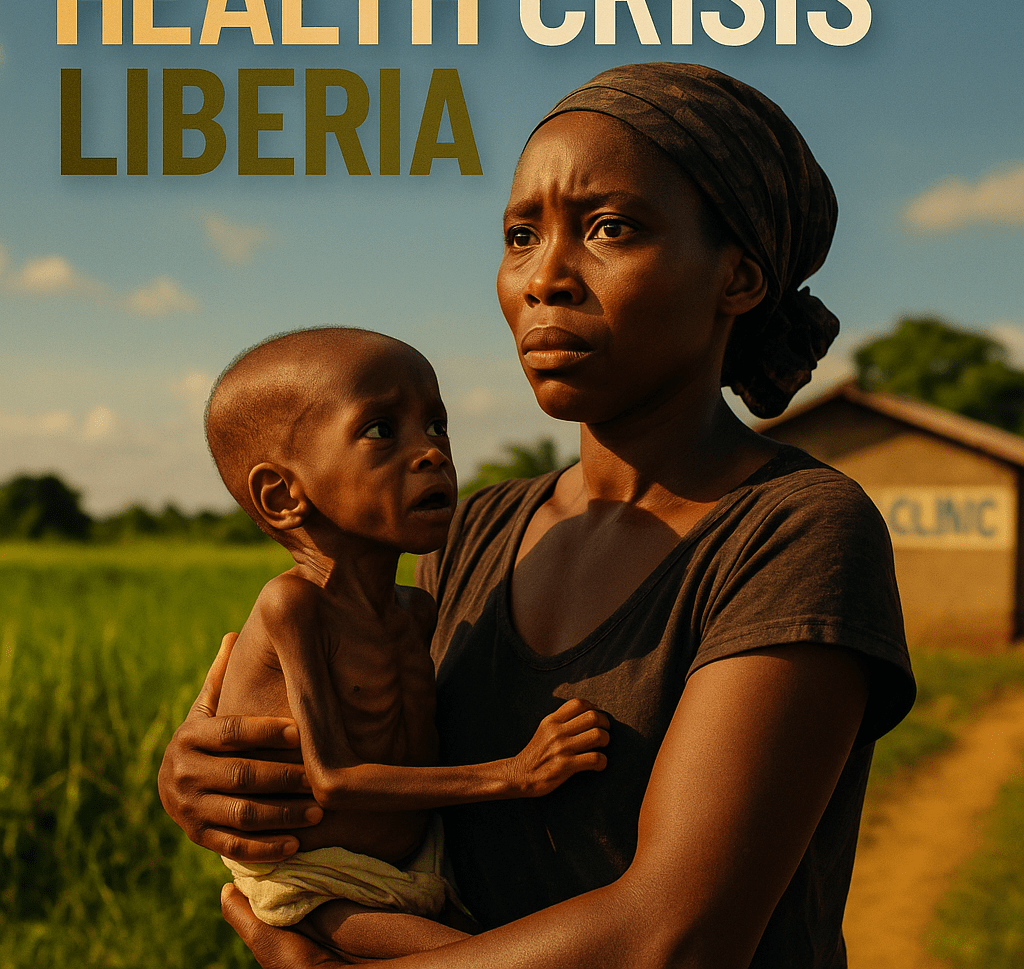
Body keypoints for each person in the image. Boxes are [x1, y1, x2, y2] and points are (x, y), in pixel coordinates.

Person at [159, 63, 916, 969]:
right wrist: (220, 782)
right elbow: (394, 782)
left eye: (610, 229)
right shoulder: (475, 532)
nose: (543, 279)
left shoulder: (793, 532)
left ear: (739, 277)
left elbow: (674, 938)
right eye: (521, 236)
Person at [199, 327, 610, 961]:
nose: (432, 453)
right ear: (283, 496)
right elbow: (332, 780)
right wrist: (515, 774)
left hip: (420, 870)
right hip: (322, 886)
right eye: (382, 431)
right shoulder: (293, 605)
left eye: (437, 426)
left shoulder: (416, 610)